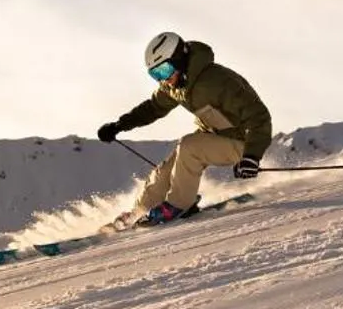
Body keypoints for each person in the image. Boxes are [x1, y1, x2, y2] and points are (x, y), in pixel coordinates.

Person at [97, 32, 271, 226]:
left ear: (179, 60)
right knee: (167, 169)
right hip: (212, 136)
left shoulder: (217, 81)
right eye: (156, 74)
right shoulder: (175, 86)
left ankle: (178, 205)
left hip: (244, 142)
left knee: (189, 146)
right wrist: (119, 125)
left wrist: (251, 155)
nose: (164, 78)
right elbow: (153, 108)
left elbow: (259, 116)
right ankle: (140, 211)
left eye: (164, 70)